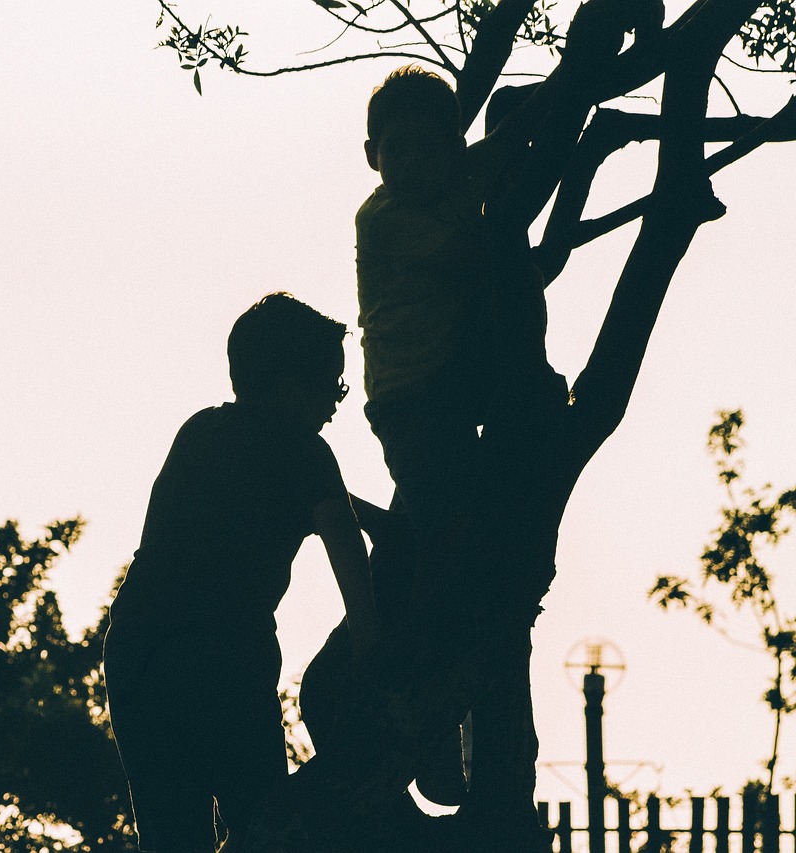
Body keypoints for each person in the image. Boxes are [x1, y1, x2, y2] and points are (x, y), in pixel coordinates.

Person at [353, 64, 570, 850]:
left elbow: (492, 160)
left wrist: (551, 103)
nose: (413, 163)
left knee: (441, 530)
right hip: (414, 401)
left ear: (450, 148)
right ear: (373, 156)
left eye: (430, 148)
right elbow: (473, 253)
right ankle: (429, 706)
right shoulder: (385, 218)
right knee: (451, 540)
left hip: (455, 380)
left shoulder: (443, 182)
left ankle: (439, 692)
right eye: (397, 150)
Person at [103, 292, 380, 853]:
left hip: (140, 651)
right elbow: (355, 576)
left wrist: (376, 519)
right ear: (289, 384)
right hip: (223, 662)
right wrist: (377, 667)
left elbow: (299, 496)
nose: (336, 403)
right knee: (264, 829)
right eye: (332, 386)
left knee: (172, 837)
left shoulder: (201, 432)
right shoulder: (308, 454)